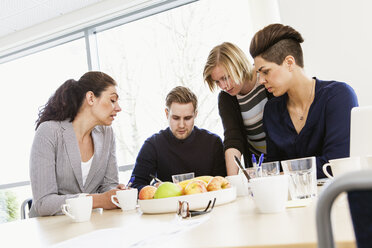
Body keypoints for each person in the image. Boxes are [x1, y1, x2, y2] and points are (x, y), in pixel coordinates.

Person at [249, 23, 359, 178]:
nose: (261, 80)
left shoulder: (339, 96)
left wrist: (284, 173)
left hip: (337, 197)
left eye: (265, 72)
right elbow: (273, 169)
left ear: (289, 63)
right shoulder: (271, 110)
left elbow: (336, 164)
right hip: (293, 201)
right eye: (259, 74)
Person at [29, 71, 124, 217]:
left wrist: (115, 193)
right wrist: (98, 200)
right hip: (50, 229)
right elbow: (44, 203)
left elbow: (108, 185)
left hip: (90, 224)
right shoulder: (49, 131)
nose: (118, 108)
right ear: (91, 98)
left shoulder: (107, 134)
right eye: (112, 100)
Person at [130, 86, 226, 191]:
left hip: (209, 205)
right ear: (167, 114)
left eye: (187, 118)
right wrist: (155, 190)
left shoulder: (213, 143)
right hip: (169, 206)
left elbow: (224, 184)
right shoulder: (153, 145)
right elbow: (134, 185)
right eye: (176, 118)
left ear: (195, 115)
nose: (181, 125)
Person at [203, 42, 272, 175]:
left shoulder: (265, 79)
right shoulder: (226, 98)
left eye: (226, 77)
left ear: (239, 66)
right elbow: (233, 138)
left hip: (285, 158)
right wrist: (232, 181)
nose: (224, 86)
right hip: (258, 166)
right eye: (217, 81)